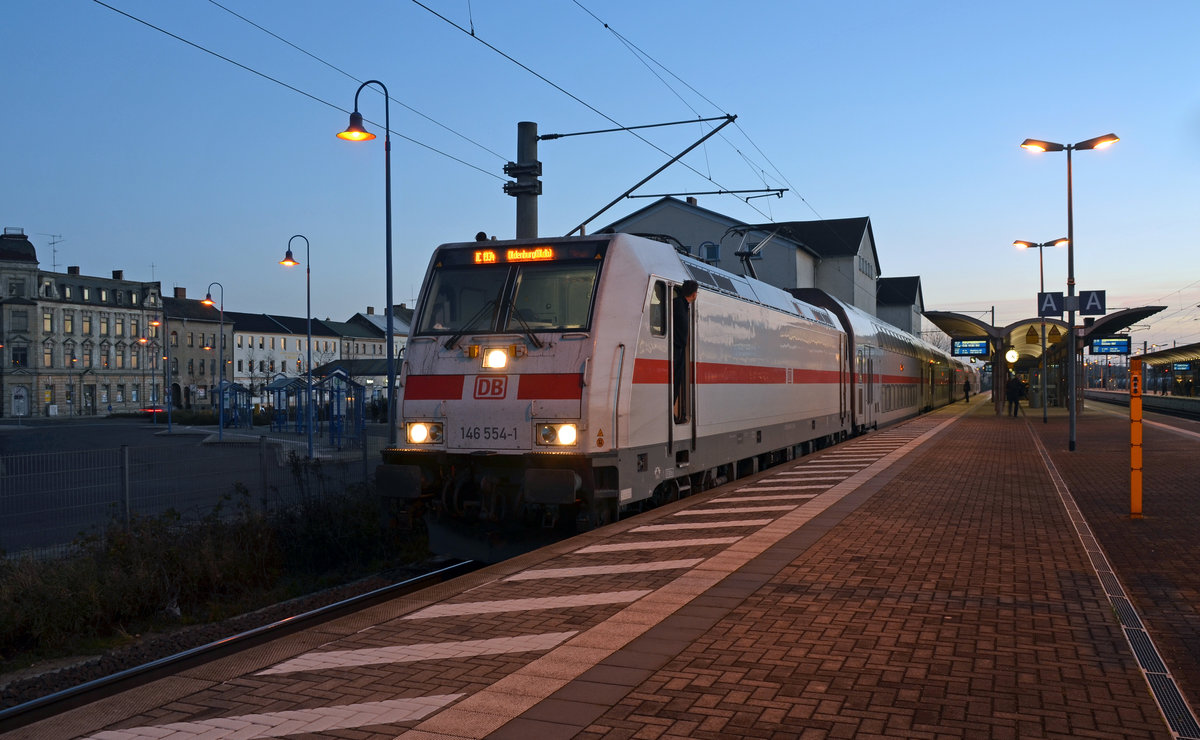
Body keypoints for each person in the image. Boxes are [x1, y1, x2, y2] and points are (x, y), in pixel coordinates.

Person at [673, 280, 699, 422]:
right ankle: (672, 413)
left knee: (677, 382)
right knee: (675, 382)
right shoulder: (677, 305)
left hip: (680, 350)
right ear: (694, 294)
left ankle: (673, 413)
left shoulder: (682, 305)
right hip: (675, 350)